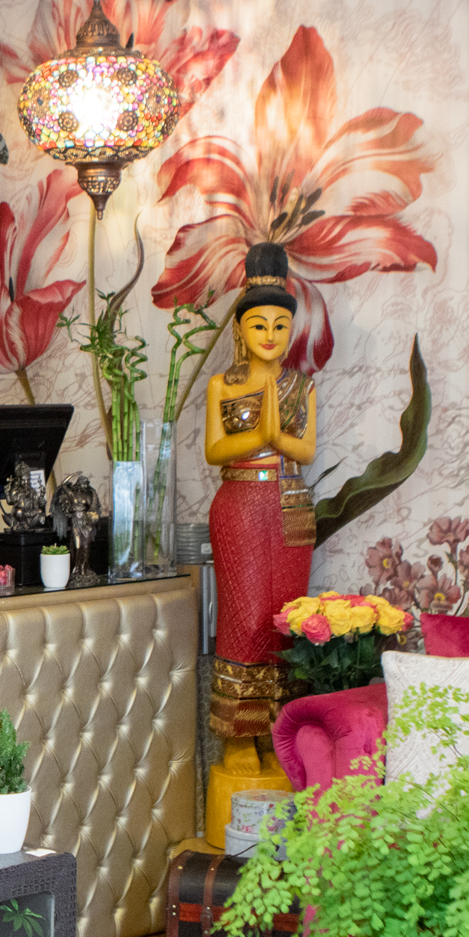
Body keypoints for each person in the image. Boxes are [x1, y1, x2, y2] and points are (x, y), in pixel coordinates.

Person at [202, 243, 316, 829]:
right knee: (244, 619)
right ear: (241, 331)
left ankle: (274, 729)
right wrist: (263, 433)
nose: (270, 335)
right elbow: (215, 450)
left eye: (280, 325)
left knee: (283, 621)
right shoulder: (224, 384)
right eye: (258, 325)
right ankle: (236, 735)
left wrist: (276, 432)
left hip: (291, 505)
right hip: (241, 503)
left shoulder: (302, 385)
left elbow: (306, 450)